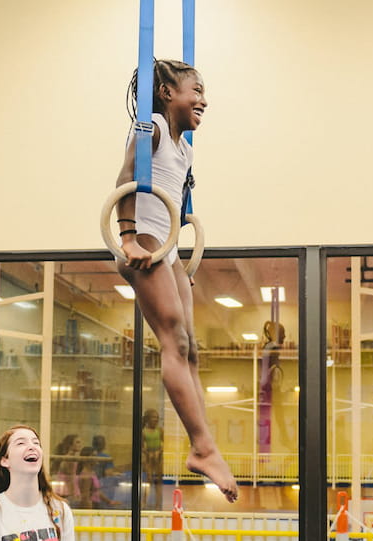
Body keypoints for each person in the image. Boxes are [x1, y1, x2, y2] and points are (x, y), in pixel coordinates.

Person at [113, 59, 237, 502]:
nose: (203, 99)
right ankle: (203, 448)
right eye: (195, 90)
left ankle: (205, 445)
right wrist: (128, 240)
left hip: (166, 247)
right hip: (145, 241)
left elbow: (175, 198)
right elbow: (126, 181)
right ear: (166, 93)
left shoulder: (184, 147)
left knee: (192, 347)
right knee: (175, 343)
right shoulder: (151, 130)